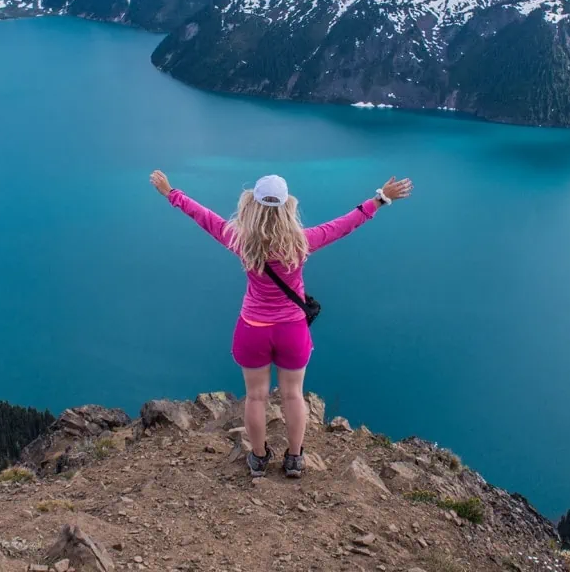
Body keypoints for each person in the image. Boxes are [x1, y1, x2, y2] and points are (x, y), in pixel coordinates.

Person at [149, 170, 413, 478]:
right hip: (291, 330)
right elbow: (344, 225)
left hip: (252, 329)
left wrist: (171, 193)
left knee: (256, 396)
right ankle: (294, 459)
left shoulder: (240, 239)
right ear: (287, 206)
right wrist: (381, 198)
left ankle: (259, 458)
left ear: (252, 205)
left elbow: (203, 216)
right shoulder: (300, 242)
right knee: (293, 395)